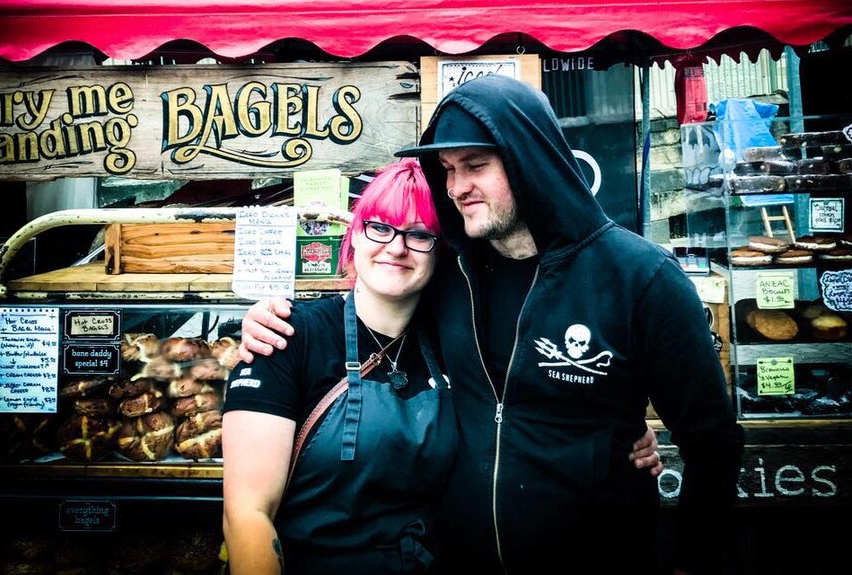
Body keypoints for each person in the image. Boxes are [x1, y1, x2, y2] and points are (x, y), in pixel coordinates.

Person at [240, 75, 738, 574]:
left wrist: (693, 561)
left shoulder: (641, 278)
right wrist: (272, 318)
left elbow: (711, 441)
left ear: (530, 159)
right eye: (448, 170)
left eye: (475, 166)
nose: (456, 187)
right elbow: (377, 295)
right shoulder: (453, 272)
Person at [221, 159, 458, 574]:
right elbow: (247, 515)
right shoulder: (285, 336)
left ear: (440, 251)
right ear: (355, 235)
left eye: (419, 234)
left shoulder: (456, 345)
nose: (397, 247)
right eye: (380, 227)